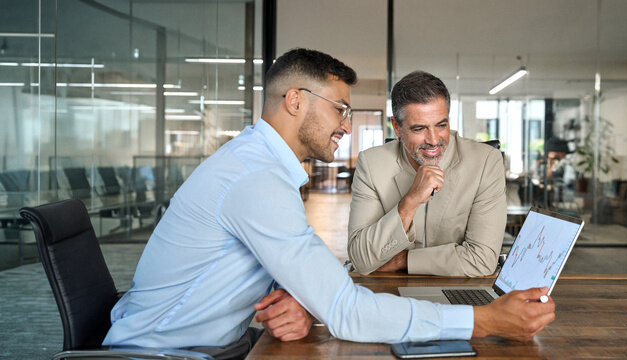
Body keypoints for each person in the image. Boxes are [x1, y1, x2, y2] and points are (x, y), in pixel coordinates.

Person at [102, 49, 555, 360]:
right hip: (163, 354)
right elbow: (348, 310)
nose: (345, 125)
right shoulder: (255, 179)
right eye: (340, 108)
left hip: (214, 344)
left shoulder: (260, 168)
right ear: (295, 100)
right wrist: (483, 320)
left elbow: (306, 275)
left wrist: (305, 298)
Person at [346, 71, 505, 276]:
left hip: (460, 292)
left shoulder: (485, 162)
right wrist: (410, 201)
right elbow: (360, 260)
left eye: (441, 125)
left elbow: (482, 261)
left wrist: (404, 260)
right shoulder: (371, 164)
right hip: (390, 292)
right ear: (397, 127)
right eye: (419, 128)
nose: (432, 140)